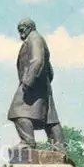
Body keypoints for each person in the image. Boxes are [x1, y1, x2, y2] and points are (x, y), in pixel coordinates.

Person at [7, 18, 66, 153]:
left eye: (22, 29)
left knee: (17, 111)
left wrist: (28, 81)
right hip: (41, 83)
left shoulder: (34, 38)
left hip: (32, 82)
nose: (20, 32)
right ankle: (59, 147)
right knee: (49, 117)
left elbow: (37, 60)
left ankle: (27, 143)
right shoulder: (37, 39)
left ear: (29, 27)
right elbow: (50, 70)